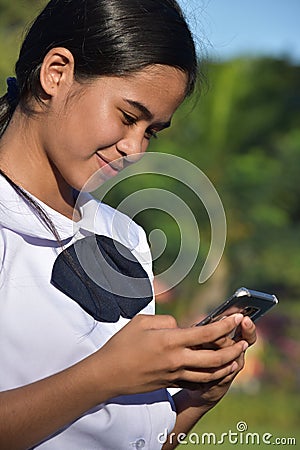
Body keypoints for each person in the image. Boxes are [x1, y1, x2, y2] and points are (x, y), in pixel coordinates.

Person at [0, 1, 256, 449]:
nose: (135, 148)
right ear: (56, 72)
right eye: (127, 116)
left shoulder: (127, 238)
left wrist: (195, 399)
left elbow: (132, 438)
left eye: (152, 131)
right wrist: (103, 376)